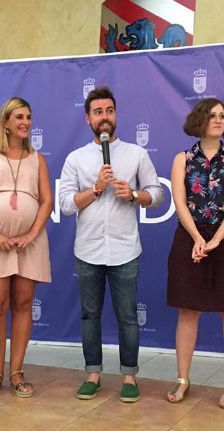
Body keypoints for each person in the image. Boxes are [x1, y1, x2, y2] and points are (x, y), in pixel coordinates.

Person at [60, 86, 163, 403]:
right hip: (88, 249)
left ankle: (129, 376)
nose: (104, 117)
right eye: (98, 112)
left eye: (109, 111)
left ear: (115, 114)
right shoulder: (76, 158)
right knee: (90, 315)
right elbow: (65, 204)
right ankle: (93, 374)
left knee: (128, 316)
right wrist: (95, 189)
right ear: (87, 118)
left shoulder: (136, 154)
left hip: (125, 249)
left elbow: (157, 193)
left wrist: (133, 195)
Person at [166, 98, 224, 409]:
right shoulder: (182, 159)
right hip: (190, 237)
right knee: (188, 310)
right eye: (212, 115)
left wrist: (215, 240)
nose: (218, 120)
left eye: (222, 116)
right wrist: (197, 238)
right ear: (199, 119)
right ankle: (182, 379)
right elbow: (179, 202)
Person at [0, 97, 53, 398]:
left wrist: (31, 235)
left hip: (30, 242)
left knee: (23, 303)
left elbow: (47, 201)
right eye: (19, 117)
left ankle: (17, 371)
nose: (25, 122)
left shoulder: (37, 158)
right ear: (5, 122)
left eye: (28, 117)